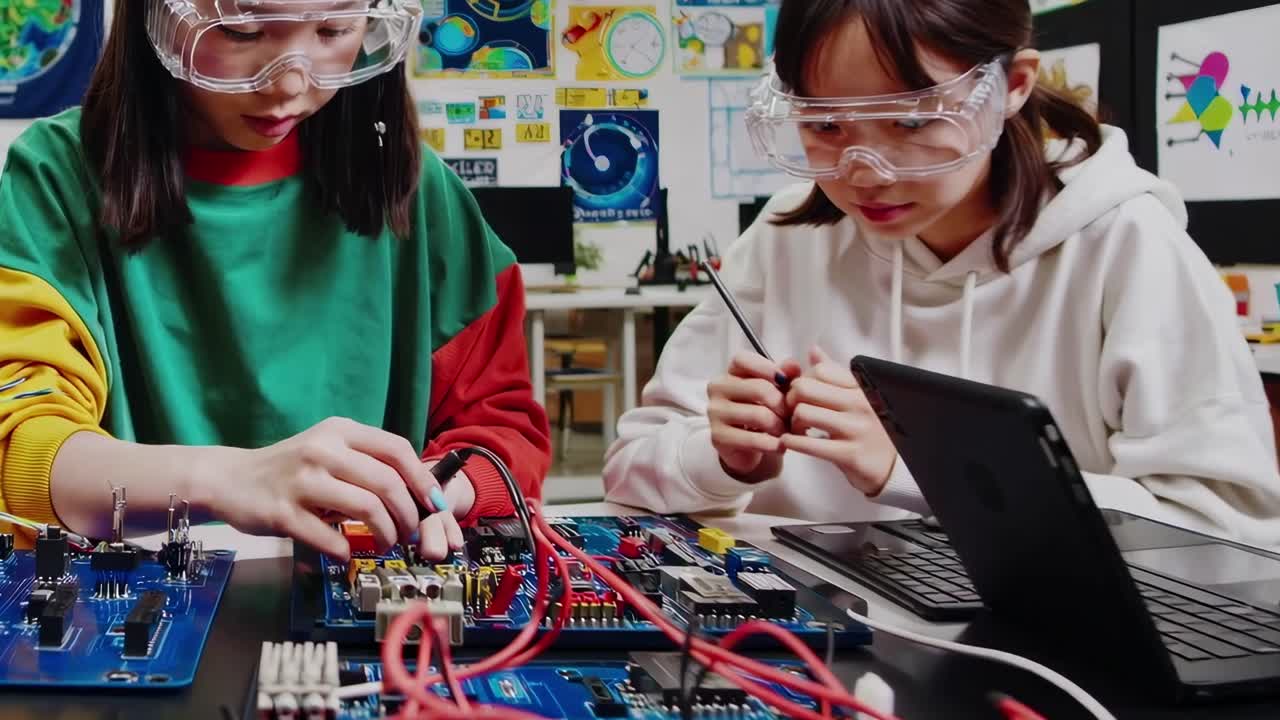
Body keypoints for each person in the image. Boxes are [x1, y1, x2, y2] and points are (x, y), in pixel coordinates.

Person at [604, 0, 1280, 547]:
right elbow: (629, 472)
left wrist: (924, 471)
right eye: (826, 126)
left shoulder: (1124, 246)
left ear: (1012, 85)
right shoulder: (788, 237)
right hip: (813, 640)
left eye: (909, 120)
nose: (865, 171)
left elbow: (1229, 538)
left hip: (1046, 657)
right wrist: (719, 460)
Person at [0, 0, 550, 561]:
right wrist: (230, 480)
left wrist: (430, 489)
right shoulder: (55, 178)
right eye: (243, 32)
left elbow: (503, 429)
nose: (290, 82)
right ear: (157, 16)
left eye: (334, 30)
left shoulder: (417, 190)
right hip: (128, 613)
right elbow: (21, 449)